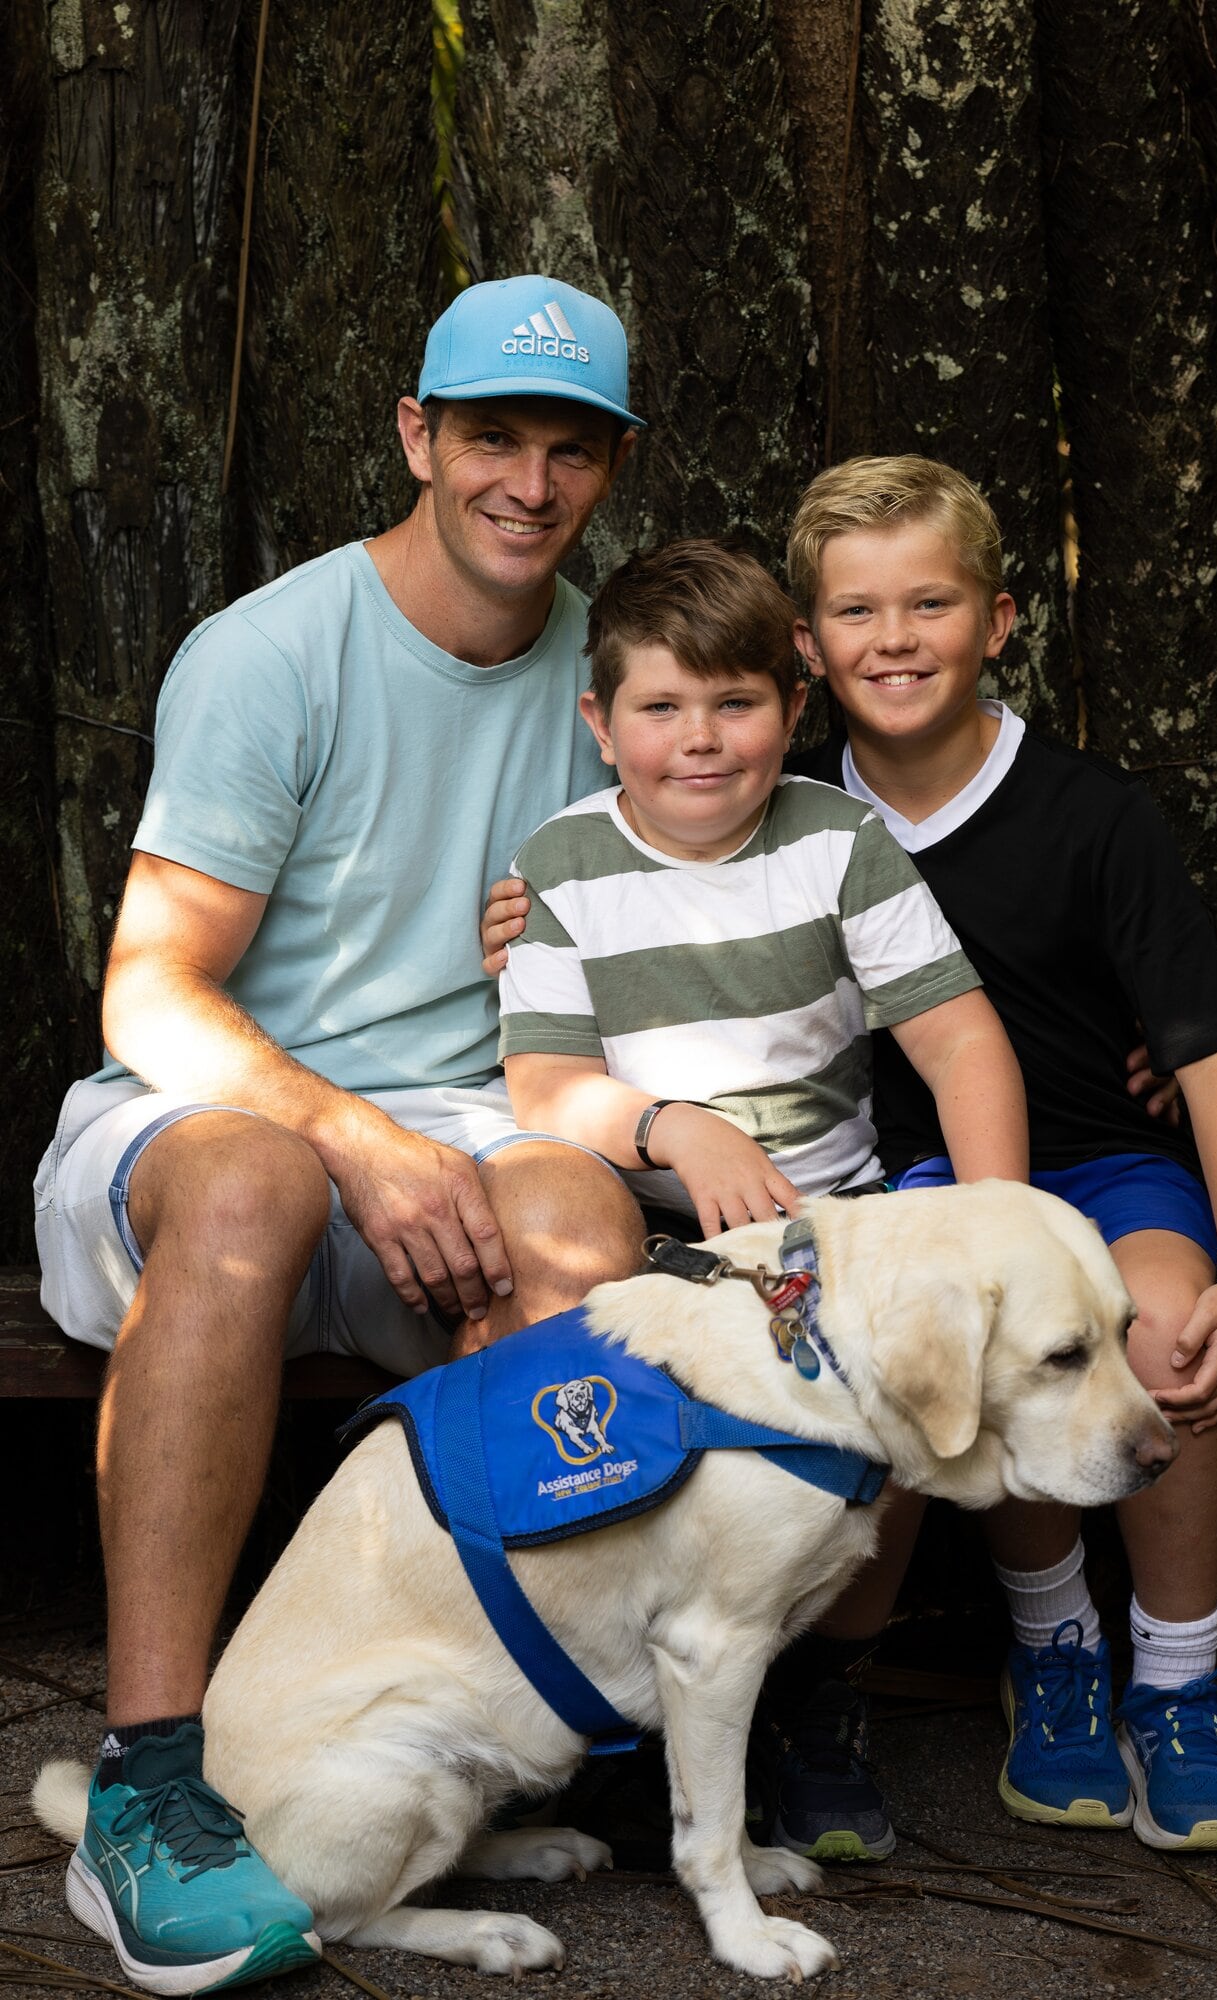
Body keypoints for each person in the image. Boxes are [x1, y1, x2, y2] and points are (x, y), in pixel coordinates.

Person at [33, 274, 654, 1995]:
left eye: (568, 450)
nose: (526, 483)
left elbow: (746, 910)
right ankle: (153, 1791)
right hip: (209, 1124)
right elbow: (150, 996)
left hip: (475, 1121)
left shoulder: (617, 679)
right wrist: (365, 1146)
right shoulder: (271, 651)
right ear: (416, 437)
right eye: (489, 440)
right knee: (258, 1175)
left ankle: (462, 1755)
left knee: (583, 1233)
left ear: (608, 467)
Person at [492, 537, 1028, 1863]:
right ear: (598, 722)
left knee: (884, 1427)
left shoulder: (835, 842)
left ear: (792, 711)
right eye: (660, 708)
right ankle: (612, 1722)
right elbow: (547, 1082)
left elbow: (956, 1038)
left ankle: (819, 1703)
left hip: (828, 1212)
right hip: (645, 1222)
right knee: (624, 1429)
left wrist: (993, 1216)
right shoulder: (562, 865)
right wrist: (674, 1131)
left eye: (734, 705)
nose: (700, 741)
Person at [782, 454, 1217, 1853]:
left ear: (998, 619)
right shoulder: (776, 806)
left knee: (1170, 1333)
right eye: (856, 612)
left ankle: (1176, 1681)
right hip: (914, 1188)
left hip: (1101, 1164)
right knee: (972, 1329)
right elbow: (630, 885)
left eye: (929, 602)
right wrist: (531, 913)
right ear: (809, 641)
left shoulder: (1091, 813)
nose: (893, 640)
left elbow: (1211, 1052)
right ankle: (1050, 1648)